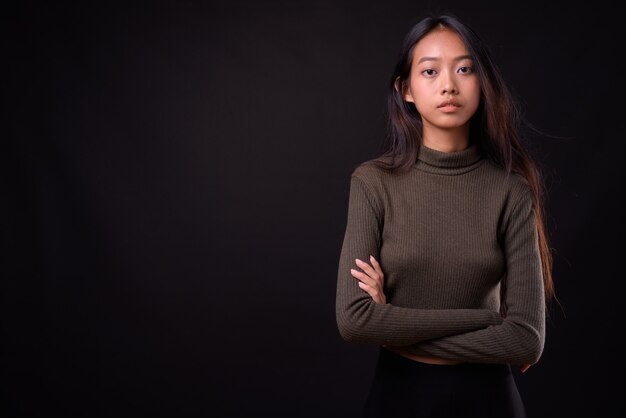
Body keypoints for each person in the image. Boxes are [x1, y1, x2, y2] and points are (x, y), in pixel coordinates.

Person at [335, 13, 556, 418]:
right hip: (398, 399)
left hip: (489, 403)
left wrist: (393, 329)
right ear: (406, 89)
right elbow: (354, 321)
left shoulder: (511, 190)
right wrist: (485, 320)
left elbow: (526, 341)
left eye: (465, 69)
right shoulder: (372, 183)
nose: (449, 85)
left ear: (481, 83)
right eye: (430, 70)